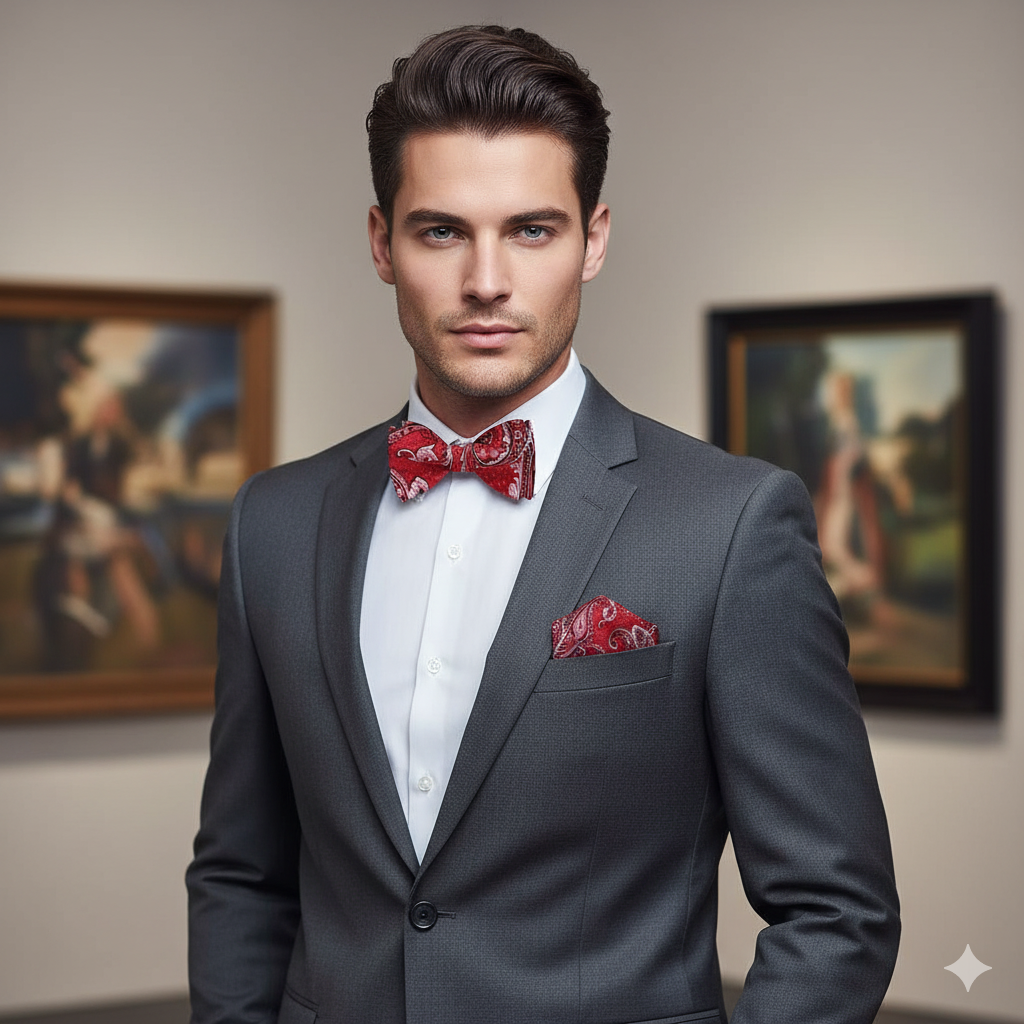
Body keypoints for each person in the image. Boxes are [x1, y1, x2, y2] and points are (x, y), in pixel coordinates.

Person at [187, 25, 899, 1024]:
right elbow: (241, 873)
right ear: (381, 243)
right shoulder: (273, 521)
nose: (486, 280)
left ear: (592, 239)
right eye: (441, 231)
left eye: (531, 229)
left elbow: (836, 910)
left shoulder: (730, 524)